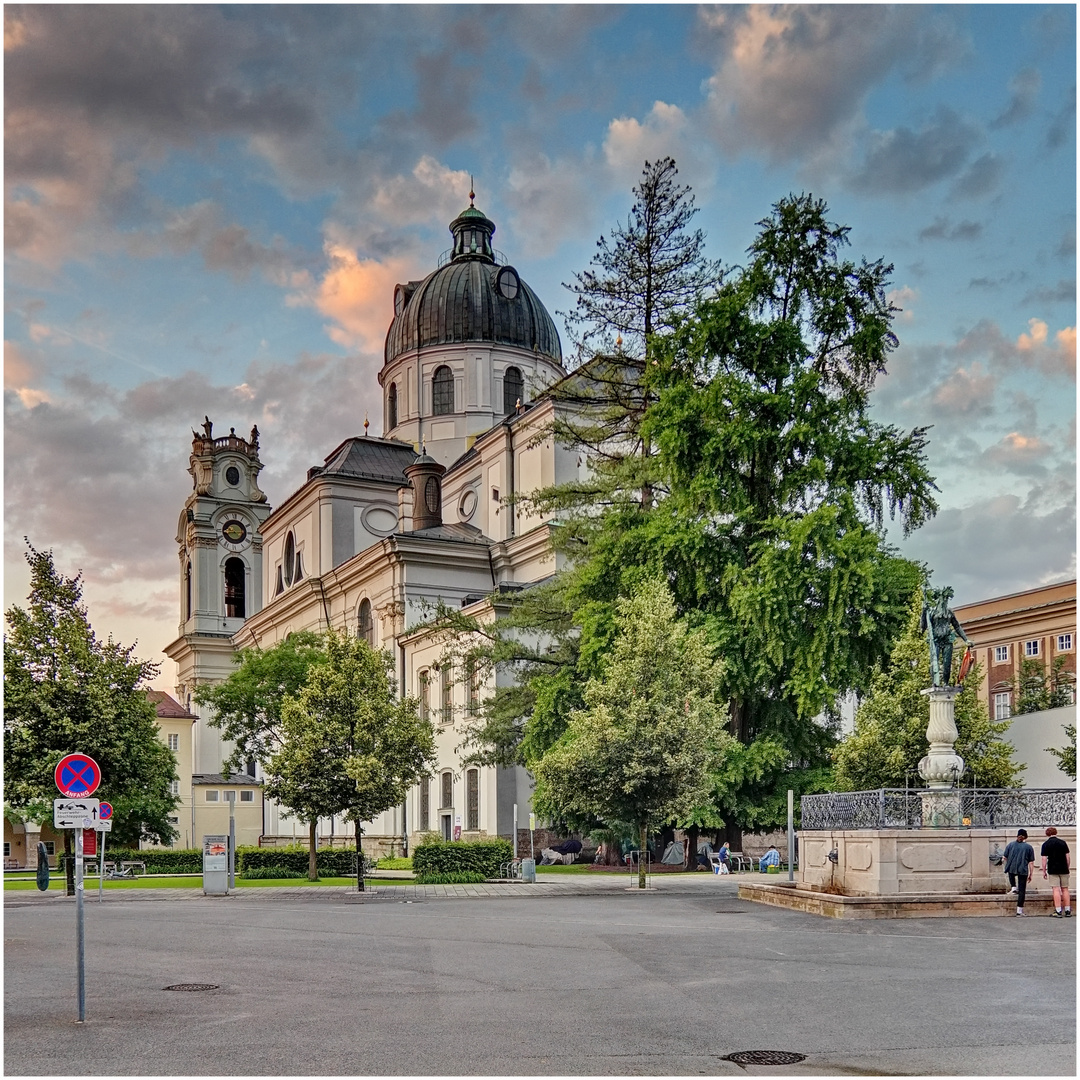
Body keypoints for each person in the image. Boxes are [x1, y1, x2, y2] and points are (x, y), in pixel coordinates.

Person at [1001, 829, 1035, 916]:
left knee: (1011, 873)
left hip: (1012, 867)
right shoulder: (1029, 847)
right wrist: (1031, 874)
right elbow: (1031, 862)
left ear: (1017, 836)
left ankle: (1013, 887)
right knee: (1022, 890)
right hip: (1023, 869)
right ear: (1026, 837)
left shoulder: (1010, 845)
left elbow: (1005, 857)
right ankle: (1019, 911)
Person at [1040, 827, 1071, 918]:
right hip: (1064, 868)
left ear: (1047, 834)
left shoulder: (1046, 844)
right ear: (1056, 833)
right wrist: (1067, 867)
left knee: (1056, 889)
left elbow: (1044, 859)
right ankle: (1068, 910)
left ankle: (1058, 910)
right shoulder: (1063, 843)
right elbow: (1068, 857)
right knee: (1065, 889)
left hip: (1053, 869)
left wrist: (1044, 870)